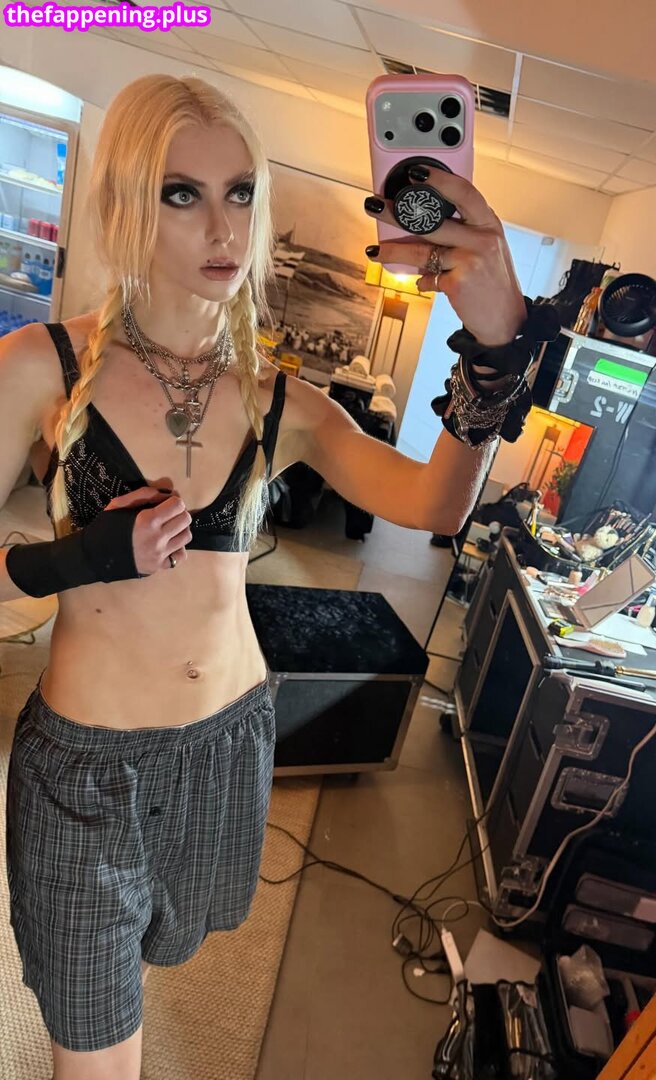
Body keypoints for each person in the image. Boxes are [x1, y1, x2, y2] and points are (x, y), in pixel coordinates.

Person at [0, 73, 558, 1080]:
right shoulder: (39, 366)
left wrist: (491, 351)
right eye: (181, 193)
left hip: (228, 748)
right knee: (95, 1049)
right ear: (124, 202)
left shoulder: (276, 399)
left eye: (241, 192)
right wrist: (76, 558)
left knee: (158, 961)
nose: (224, 227)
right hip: (84, 779)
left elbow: (434, 505)